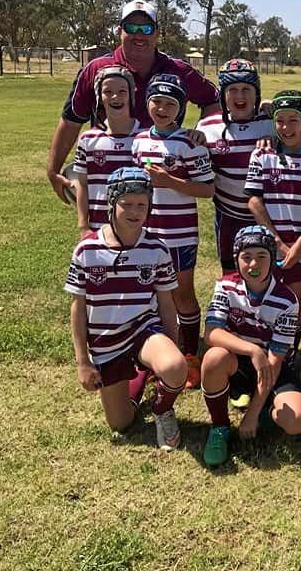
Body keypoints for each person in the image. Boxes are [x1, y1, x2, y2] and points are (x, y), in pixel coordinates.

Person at [47, 0, 220, 203]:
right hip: (107, 176)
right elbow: (71, 120)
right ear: (120, 31)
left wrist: (200, 132)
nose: (139, 34)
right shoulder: (96, 69)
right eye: (131, 27)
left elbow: (213, 100)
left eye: (146, 28)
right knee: (104, 233)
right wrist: (53, 171)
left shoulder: (178, 70)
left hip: (159, 177)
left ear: (157, 33)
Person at [64, 167, 188, 451]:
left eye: (141, 205)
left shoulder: (156, 248)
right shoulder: (87, 250)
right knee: (121, 424)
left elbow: (167, 304)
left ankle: (162, 410)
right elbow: (78, 309)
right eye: (126, 203)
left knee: (174, 366)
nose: (134, 211)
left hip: (144, 329)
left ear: (150, 207)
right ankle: (139, 375)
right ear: (111, 204)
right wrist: (83, 361)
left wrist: (173, 344)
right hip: (106, 340)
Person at [200, 225, 301, 467]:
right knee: (213, 357)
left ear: (272, 260)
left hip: (272, 367)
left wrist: (251, 416)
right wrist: (252, 350)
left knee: (297, 421)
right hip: (240, 361)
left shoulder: (287, 300)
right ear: (236, 259)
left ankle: (260, 408)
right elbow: (211, 333)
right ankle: (219, 426)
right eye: (246, 257)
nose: (253, 264)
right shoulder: (226, 286)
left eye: (261, 256)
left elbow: (275, 361)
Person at [132, 74, 215, 389]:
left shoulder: (188, 143)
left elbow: (207, 189)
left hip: (179, 234)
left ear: (180, 108)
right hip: (147, 233)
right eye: (157, 101)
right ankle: (161, 354)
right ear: (148, 103)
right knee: (154, 295)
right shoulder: (139, 141)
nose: (162, 109)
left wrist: (171, 182)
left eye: (170, 103)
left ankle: (191, 354)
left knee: (182, 295)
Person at [245, 90, 301, 364]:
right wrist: (278, 243)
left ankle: (288, 359)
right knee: (267, 299)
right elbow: (254, 201)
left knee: (294, 302)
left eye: (293, 120)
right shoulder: (261, 156)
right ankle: (265, 351)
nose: (286, 127)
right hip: (271, 245)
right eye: (280, 121)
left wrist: (300, 244)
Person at [196, 59, 274, 272]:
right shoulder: (207, 127)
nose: (240, 96)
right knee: (231, 274)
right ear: (223, 95)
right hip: (228, 216)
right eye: (233, 90)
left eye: (247, 89)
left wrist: (274, 117)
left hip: (267, 216)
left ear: (256, 93)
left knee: (268, 274)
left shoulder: (272, 122)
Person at [72, 66, 143, 237]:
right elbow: (82, 184)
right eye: (108, 91)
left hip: (140, 231)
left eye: (122, 91)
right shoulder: (88, 139)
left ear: (131, 95)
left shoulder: (145, 137)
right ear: (99, 97)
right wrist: (83, 226)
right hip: (99, 229)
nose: (115, 97)